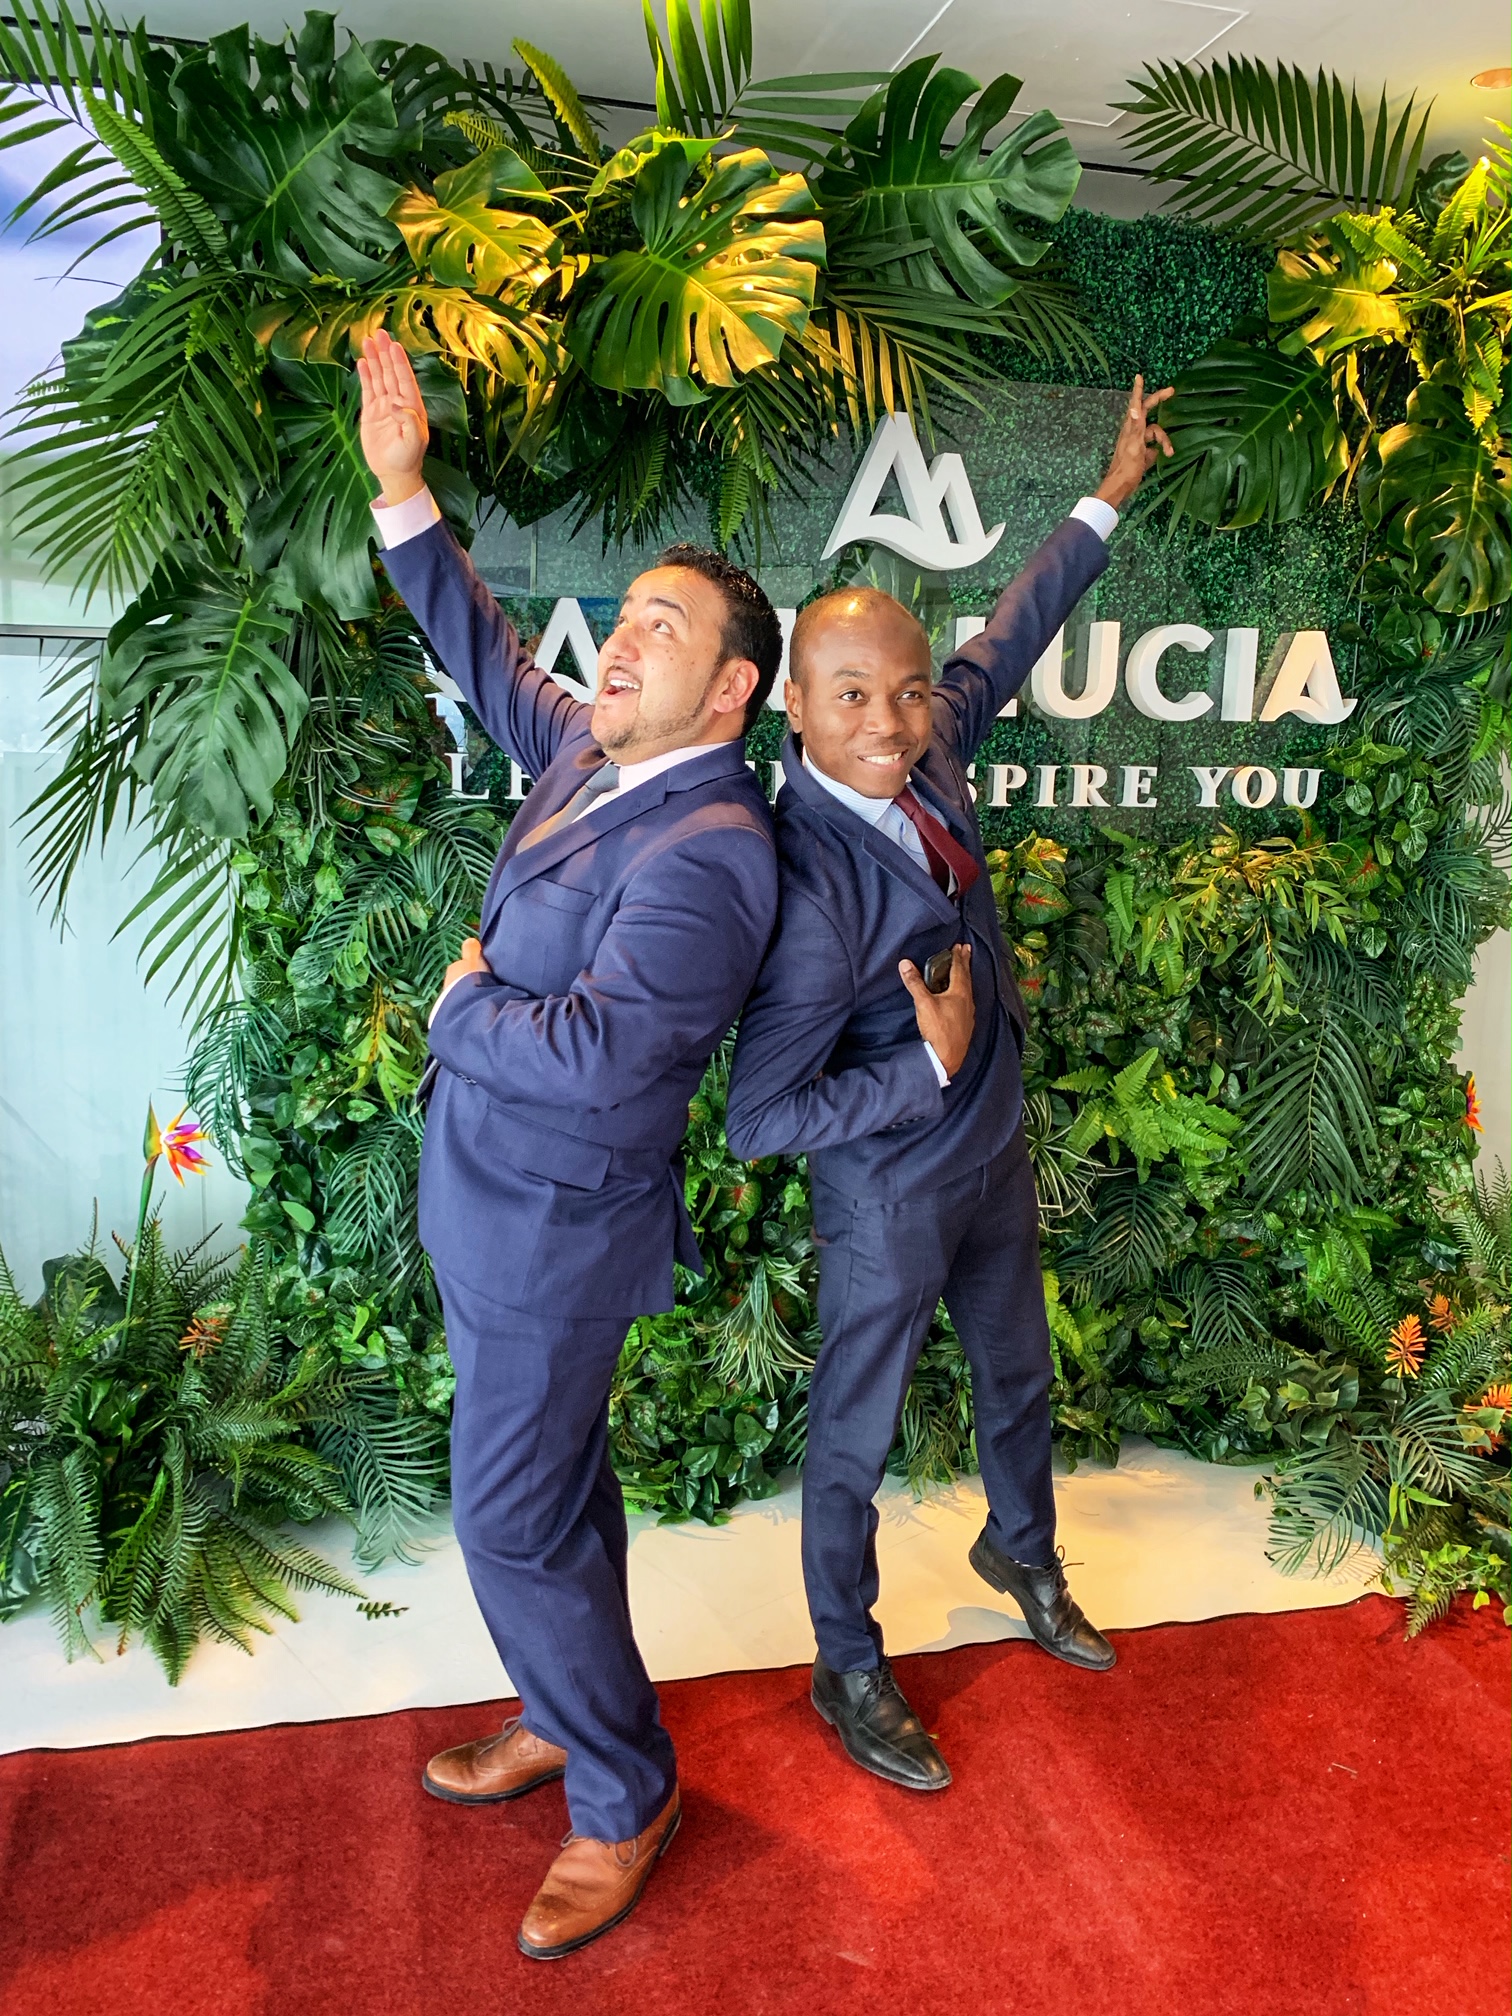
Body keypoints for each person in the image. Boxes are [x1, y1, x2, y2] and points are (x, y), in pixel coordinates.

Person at [356, 330, 781, 1955]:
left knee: (509, 1521)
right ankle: (562, 1707)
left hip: (554, 1235)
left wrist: (461, 1004)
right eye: (628, 616)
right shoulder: (595, 760)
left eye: (667, 630)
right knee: (561, 1497)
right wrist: (406, 493)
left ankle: (622, 1794)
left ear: (732, 691)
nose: (624, 640)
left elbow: (605, 1062)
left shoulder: (713, 848)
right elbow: (486, 652)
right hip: (491, 1211)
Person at [724, 378, 1174, 1792]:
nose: (892, 721)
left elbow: (1012, 631)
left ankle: (1021, 1553)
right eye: (854, 696)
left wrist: (1107, 494)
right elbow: (758, 1118)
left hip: (990, 1158)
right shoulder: (796, 886)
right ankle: (845, 1662)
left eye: (908, 692)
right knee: (854, 1439)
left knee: (1018, 1373)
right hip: (887, 1193)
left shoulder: (934, 752)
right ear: (796, 704)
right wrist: (922, 1064)